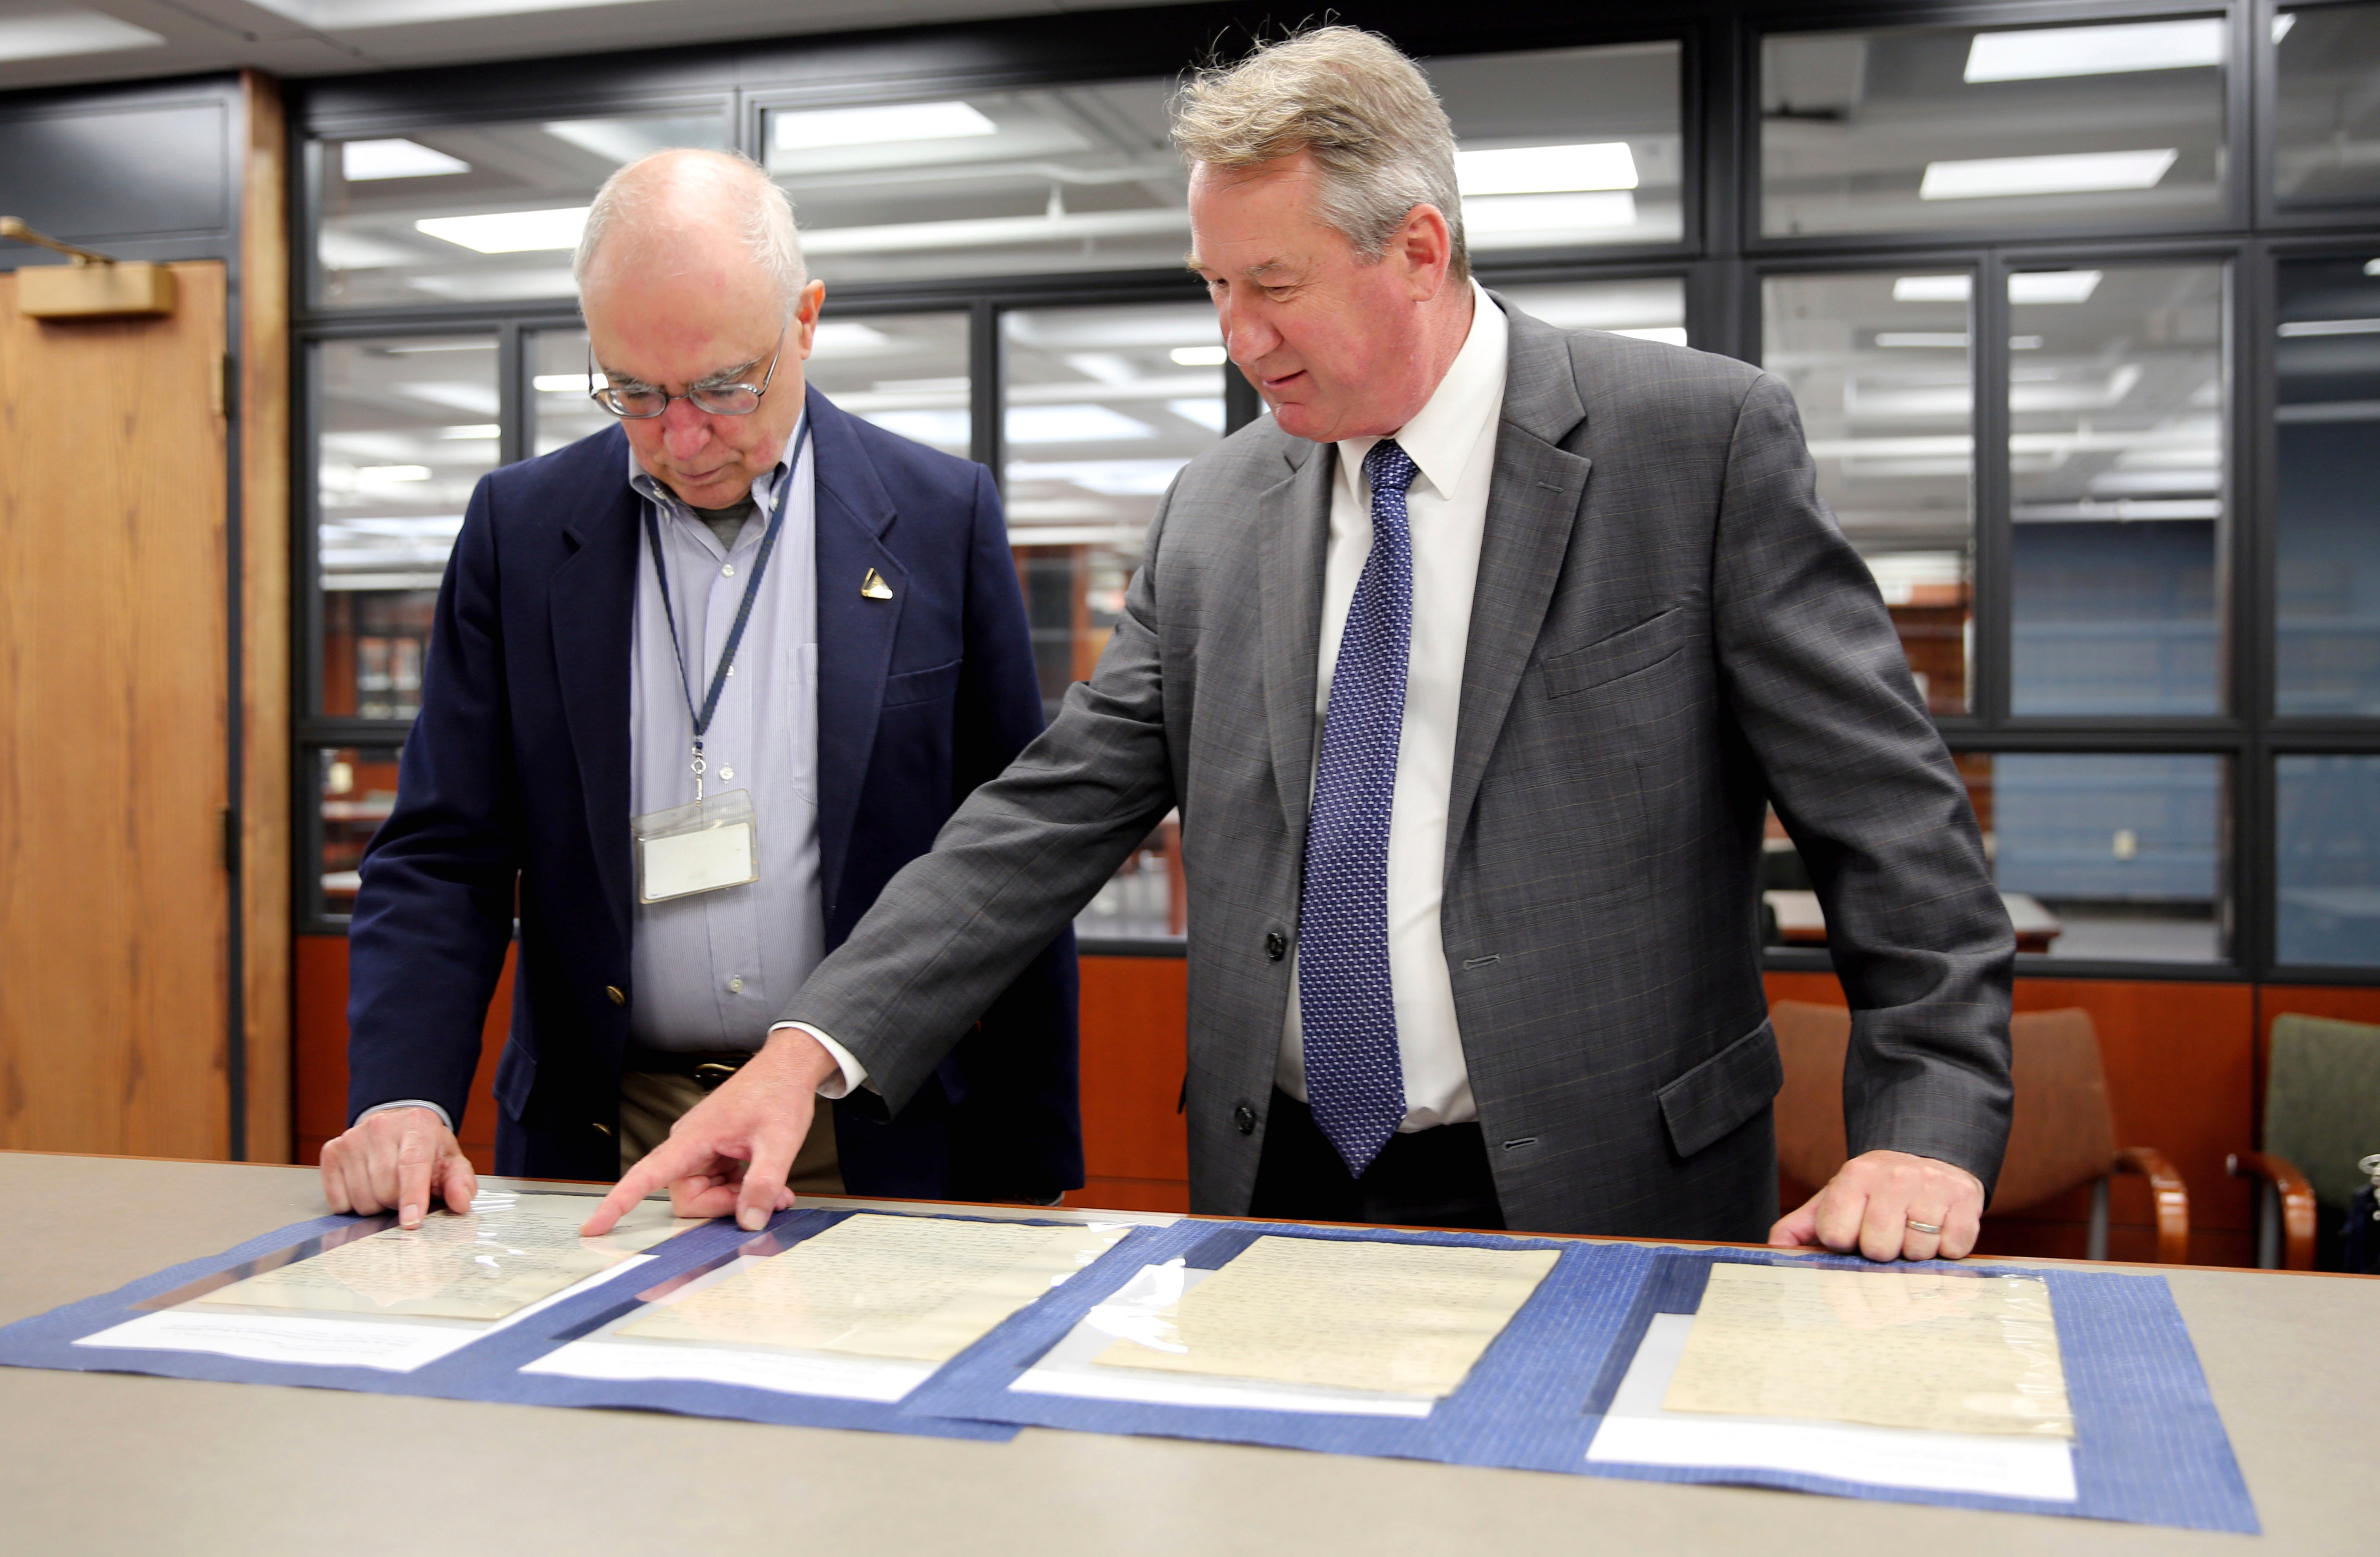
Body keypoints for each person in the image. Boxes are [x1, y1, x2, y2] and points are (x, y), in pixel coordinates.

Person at [587, 29, 2013, 1264]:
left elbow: (1892, 829)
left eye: (1273, 284)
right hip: (1280, 1184)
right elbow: (1042, 815)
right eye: (1214, 287)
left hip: (1608, 1183)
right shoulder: (1219, 508)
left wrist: (1929, 1130)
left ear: (1419, 250)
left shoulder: (1692, 448)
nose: (1237, 336)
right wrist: (809, 1049)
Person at [319, 149, 1079, 1229]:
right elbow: (444, 851)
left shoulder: (940, 517)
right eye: (635, 391)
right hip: (603, 1139)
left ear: (805, 320)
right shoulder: (522, 533)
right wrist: (402, 1095)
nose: (682, 436)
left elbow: (1017, 856)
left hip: (870, 1128)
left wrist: (1036, 1157)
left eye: (724, 387)